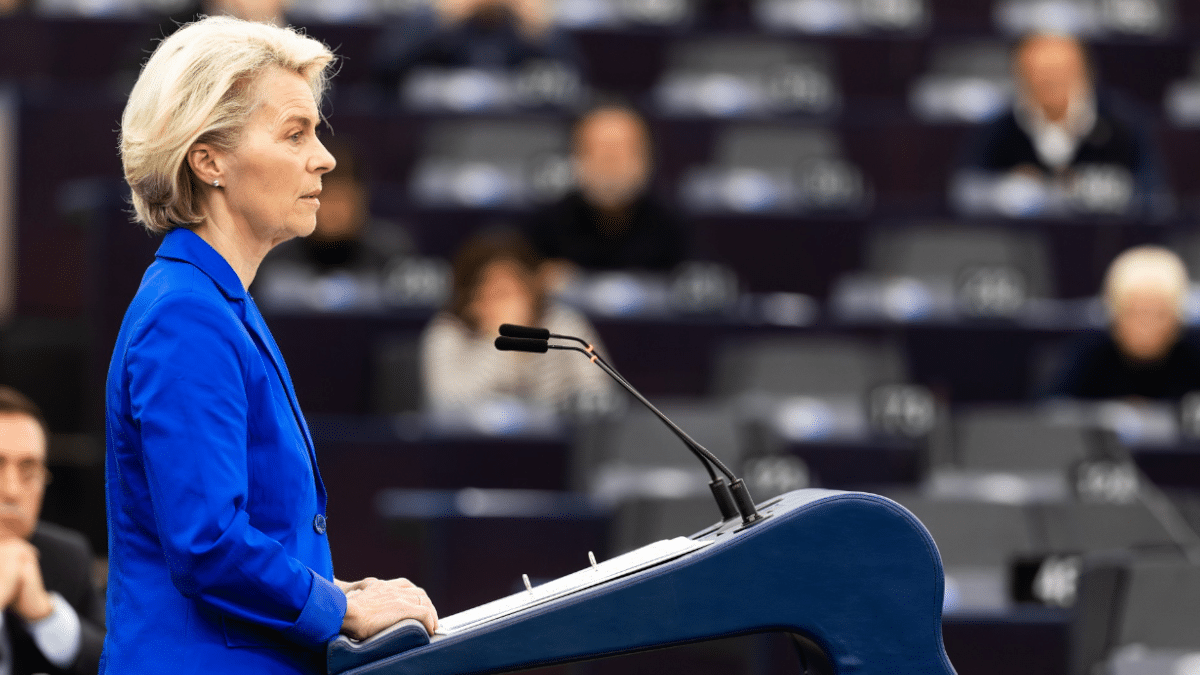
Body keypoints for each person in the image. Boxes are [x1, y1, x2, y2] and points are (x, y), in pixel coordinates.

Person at [106, 16, 436, 674]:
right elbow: (207, 543)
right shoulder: (186, 317)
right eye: (296, 133)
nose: (326, 157)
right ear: (209, 159)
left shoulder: (216, 302)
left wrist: (335, 591)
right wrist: (338, 608)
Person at [959, 32, 1168, 214]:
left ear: (1085, 73)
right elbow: (966, 192)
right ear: (1020, 76)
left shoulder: (1125, 124)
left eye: (1060, 72)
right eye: (1038, 74)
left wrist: (1088, 192)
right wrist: (1008, 190)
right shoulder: (998, 129)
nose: (1049, 82)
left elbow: (1155, 198)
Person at [420, 230, 613, 411]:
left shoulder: (565, 324)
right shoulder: (447, 332)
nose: (509, 303)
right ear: (471, 298)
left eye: (514, 290)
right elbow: (445, 403)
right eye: (496, 293)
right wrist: (497, 339)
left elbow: (601, 394)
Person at [0, 386, 104, 675]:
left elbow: (117, 660)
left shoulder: (67, 556)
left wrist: (46, 616)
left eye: (29, 469)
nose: (11, 491)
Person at [524, 103, 688, 281]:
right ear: (576, 155)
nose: (611, 163)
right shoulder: (547, 228)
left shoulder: (672, 227)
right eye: (599, 150)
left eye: (622, 150)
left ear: (646, 156)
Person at [1048, 245, 1200, 400]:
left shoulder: (1193, 354)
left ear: (1177, 316)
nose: (1146, 325)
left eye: (1159, 314)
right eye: (1135, 313)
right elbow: (1049, 408)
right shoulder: (1090, 353)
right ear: (1114, 312)